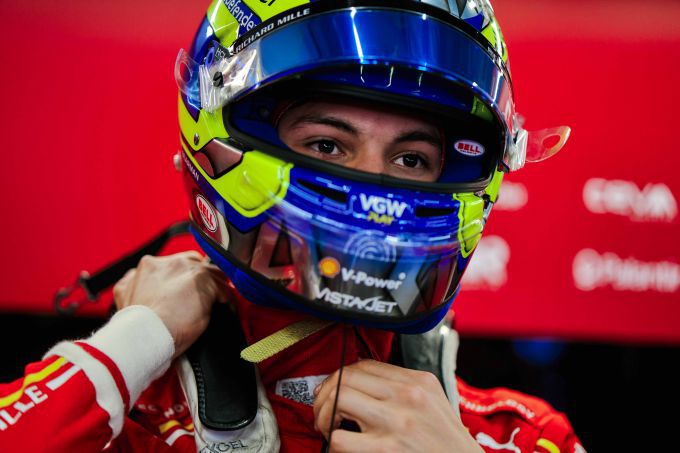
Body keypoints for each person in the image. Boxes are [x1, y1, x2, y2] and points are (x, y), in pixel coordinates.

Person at [0, 1, 583, 452]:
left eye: (410, 159)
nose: (373, 188)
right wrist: (135, 341)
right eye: (327, 145)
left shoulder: (518, 437)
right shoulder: (128, 416)